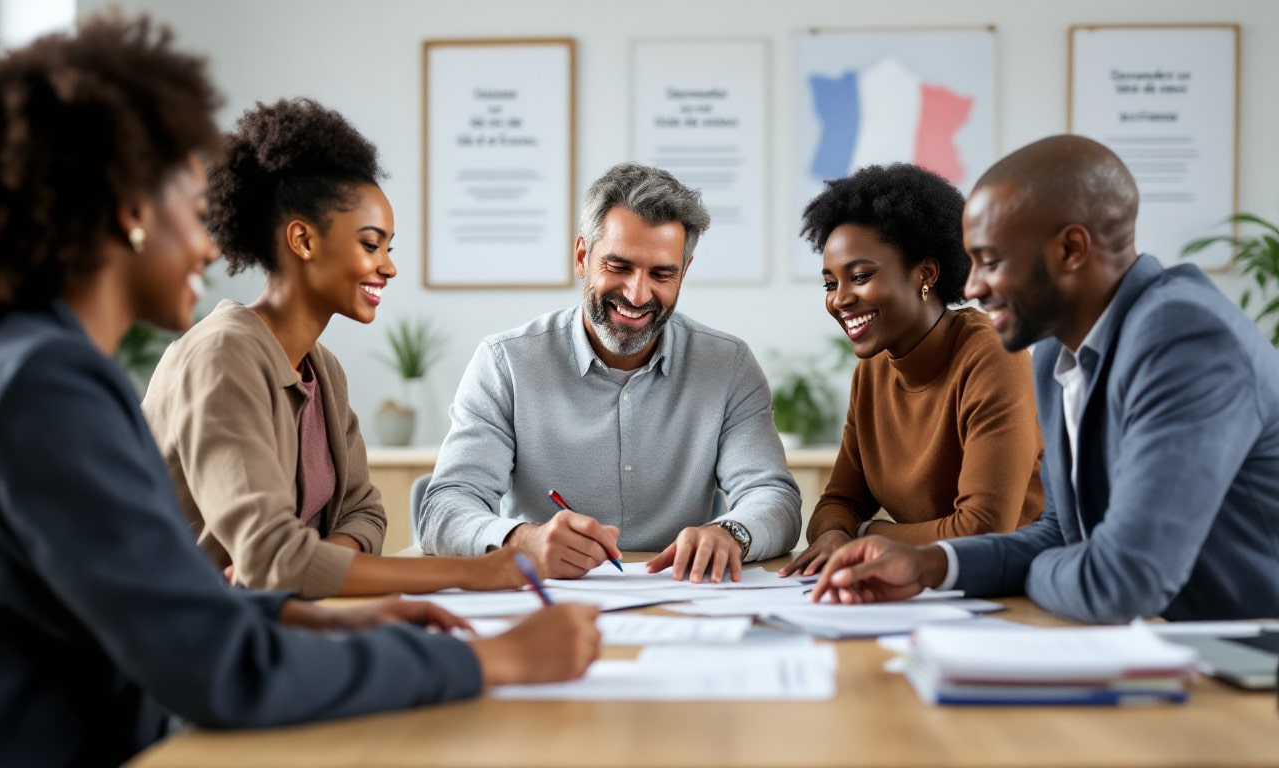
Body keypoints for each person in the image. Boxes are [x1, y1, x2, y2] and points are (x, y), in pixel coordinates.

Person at [0, 18, 598, 767]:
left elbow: (168, 603)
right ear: (130, 214)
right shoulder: (46, 388)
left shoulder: (21, 365)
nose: (210, 245)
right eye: (191, 212)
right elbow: (217, 663)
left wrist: (322, 619)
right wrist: (494, 662)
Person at [810, 135, 1279, 623]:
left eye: (991, 261)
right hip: (1169, 647)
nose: (971, 287)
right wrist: (930, 564)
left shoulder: (1183, 336)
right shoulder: (1060, 350)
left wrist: (1032, 568)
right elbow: (1059, 533)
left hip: (1248, 657)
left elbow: (1120, 581)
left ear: (1071, 249)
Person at [143, 98, 524, 598]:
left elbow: (366, 513)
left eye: (390, 247)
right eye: (371, 244)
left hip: (281, 626)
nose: (388, 267)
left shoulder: (322, 369)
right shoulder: (222, 358)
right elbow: (274, 561)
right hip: (188, 648)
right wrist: (471, 571)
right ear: (302, 239)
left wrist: (311, 567)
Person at [418, 162, 802, 582]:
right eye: (618, 266)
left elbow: (774, 496)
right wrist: (520, 539)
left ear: (684, 273)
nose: (637, 294)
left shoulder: (728, 366)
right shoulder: (504, 363)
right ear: (583, 257)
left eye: (661, 274)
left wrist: (733, 531)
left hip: (683, 599)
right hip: (548, 605)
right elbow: (445, 506)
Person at [779, 164, 1043, 579]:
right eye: (831, 284)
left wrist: (865, 533)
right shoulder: (873, 370)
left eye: (861, 276)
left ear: (925, 274)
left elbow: (983, 529)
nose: (840, 299)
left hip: (1011, 588)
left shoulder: (994, 357)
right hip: (920, 588)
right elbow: (838, 503)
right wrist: (833, 534)